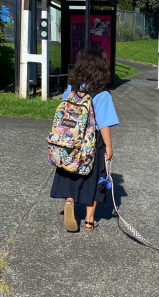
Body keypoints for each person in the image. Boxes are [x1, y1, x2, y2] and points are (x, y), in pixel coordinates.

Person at [50, 49, 119, 232]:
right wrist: (109, 147)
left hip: (71, 143)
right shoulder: (102, 95)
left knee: (70, 172)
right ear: (100, 69)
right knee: (94, 179)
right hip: (92, 145)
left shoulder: (71, 89)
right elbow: (104, 125)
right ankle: (89, 221)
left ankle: (70, 201)